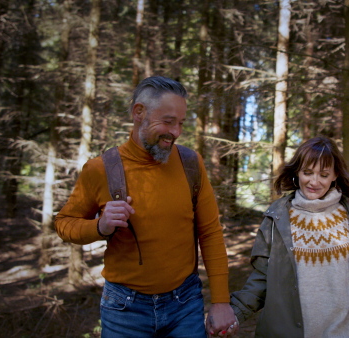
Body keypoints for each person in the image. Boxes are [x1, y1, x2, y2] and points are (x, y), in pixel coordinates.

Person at [54, 76, 236, 337]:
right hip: (124, 310)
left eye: (181, 123)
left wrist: (220, 301)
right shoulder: (101, 169)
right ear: (139, 112)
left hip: (184, 305)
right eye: (168, 121)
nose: (175, 132)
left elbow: (210, 232)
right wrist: (100, 226)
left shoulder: (191, 164)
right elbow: (64, 223)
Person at [224, 136, 349, 338]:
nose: (314, 181)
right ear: (297, 171)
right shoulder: (277, 216)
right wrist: (232, 314)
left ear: (335, 175)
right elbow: (261, 279)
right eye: (308, 172)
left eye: (324, 175)